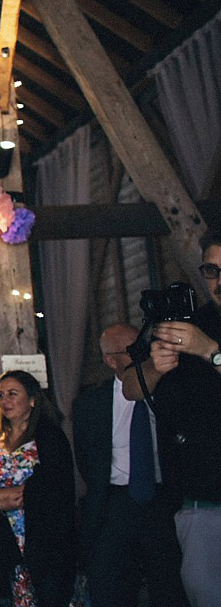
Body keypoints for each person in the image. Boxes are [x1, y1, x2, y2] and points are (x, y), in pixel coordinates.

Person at [123, 229, 221, 607]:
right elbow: (131, 387)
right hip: (200, 501)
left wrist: (210, 351)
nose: (218, 281)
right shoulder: (193, 322)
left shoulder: (202, 338)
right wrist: (153, 367)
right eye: (211, 271)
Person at [72, 324, 188, 607]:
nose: (140, 356)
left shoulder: (168, 390)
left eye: (142, 347)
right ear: (110, 360)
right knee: (111, 588)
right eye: (129, 351)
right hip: (115, 503)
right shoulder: (90, 405)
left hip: (162, 499)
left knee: (169, 586)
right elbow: (88, 460)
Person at [0, 371, 75, 607]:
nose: (5, 400)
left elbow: (46, 489)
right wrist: (6, 499)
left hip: (40, 538)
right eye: (0, 395)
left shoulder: (49, 438)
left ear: (32, 400)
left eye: (12, 394)